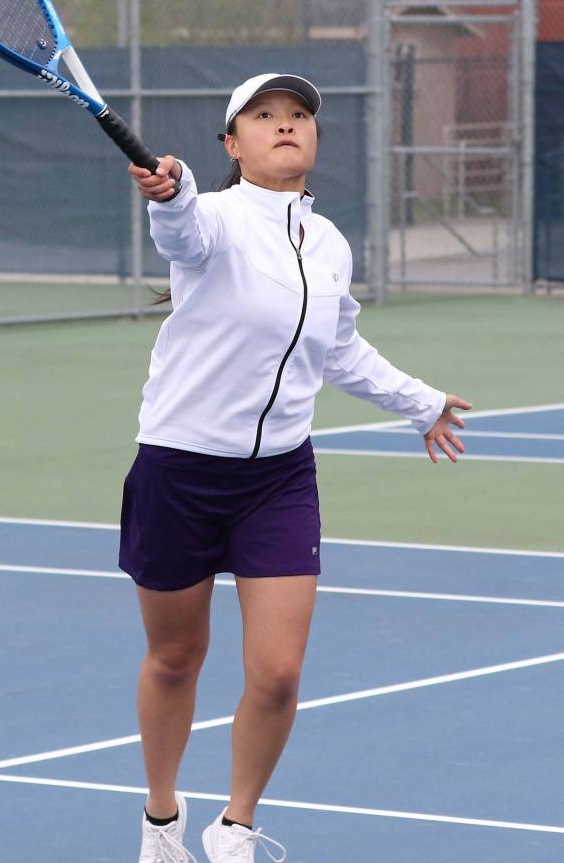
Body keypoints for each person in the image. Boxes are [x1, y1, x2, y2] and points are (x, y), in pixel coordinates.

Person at [120, 73, 471, 863]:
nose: (285, 126)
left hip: (278, 479)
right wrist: (167, 195)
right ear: (231, 144)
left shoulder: (329, 243)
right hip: (179, 468)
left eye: (298, 116)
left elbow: (338, 345)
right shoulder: (207, 219)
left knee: (277, 673)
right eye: (264, 116)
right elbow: (180, 232)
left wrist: (419, 402)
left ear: (313, 138)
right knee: (176, 657)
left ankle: (235, 826)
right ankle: (161, 823)